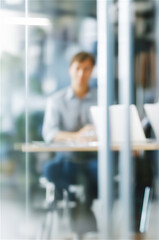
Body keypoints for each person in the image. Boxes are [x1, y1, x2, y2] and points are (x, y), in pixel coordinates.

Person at [42, 51, 98, 235]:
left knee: (105, 170)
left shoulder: (102, 99)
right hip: (68, 161)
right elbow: (49, 133)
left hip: (93, 161)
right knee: (51, 169)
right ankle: (78, 204)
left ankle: (80, 206)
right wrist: (76, 136)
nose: (82, 74)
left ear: (92, 71)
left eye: (87, 69)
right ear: (70, 70)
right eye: (78, 69)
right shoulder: (56, 100)